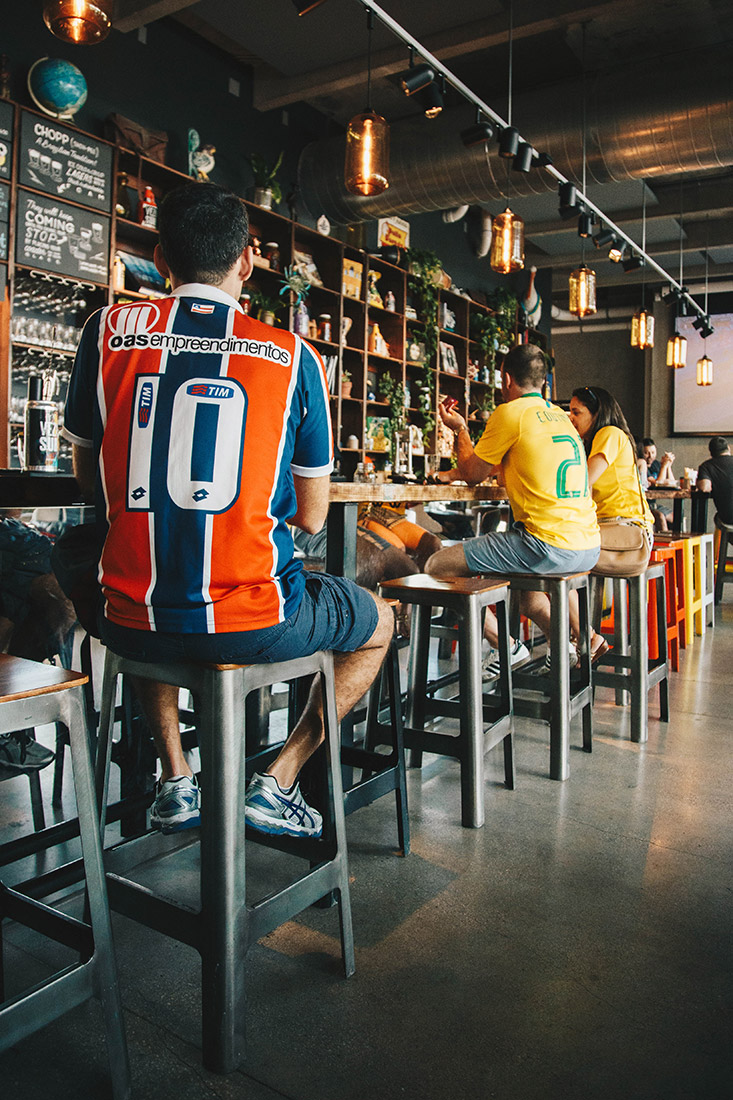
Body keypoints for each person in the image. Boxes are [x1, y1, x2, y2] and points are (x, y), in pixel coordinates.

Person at [63, 182, 394, 839]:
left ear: (161, 259)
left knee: (138, 576)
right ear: (246, 261)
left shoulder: (106, 332)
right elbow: (312, 517)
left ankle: (175, 779)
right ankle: (278, 781)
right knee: (379, 622)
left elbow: (87, 479)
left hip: (131, 621)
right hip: (253, 622)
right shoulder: (294, 356)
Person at [426, 345, 600, 665]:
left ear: (506, 379)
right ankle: (562, 646)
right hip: (588, 544)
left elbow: (473, 475)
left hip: (547, 545)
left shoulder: (510, 413)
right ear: (543, 381)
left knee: (437, 566)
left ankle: (506, 646)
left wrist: (460, 429)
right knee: (528, 597)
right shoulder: (562, 418)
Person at [568, 387, 655, 659]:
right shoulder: (604, 438)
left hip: (625, 533)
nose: (571, 418)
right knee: (557, 560)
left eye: (576, 412)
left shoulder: (609, 433)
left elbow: (582, 483)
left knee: (555, 560)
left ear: (597, 413)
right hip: (618, 529)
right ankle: (581, 638)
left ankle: (583, 638)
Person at [697, 436, 733, 526]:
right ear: (728, 448)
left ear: (711, 453)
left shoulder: (706, 466)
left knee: (718, 517)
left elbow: (704, 488)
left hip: (728, 519)